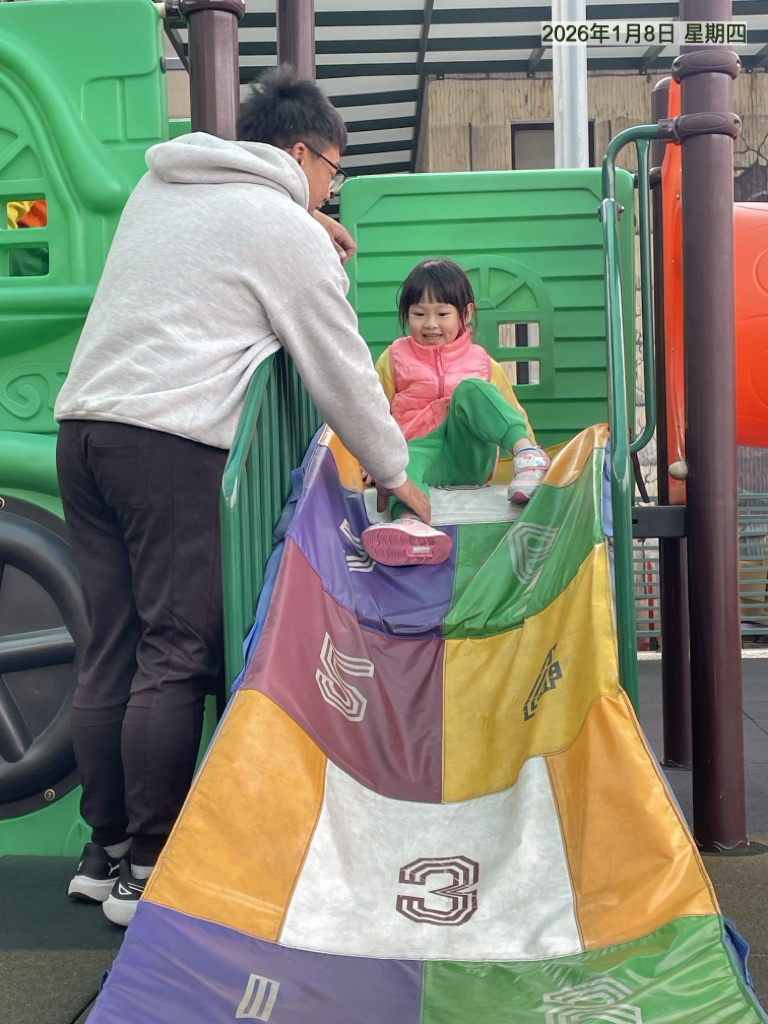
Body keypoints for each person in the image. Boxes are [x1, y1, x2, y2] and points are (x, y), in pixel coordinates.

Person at [54, 66, 429, 926]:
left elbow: (222, 244)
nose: (334, 189)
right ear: (301, 154)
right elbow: (339, 359)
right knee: (177, 651)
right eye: (334, 171)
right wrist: (395, 470)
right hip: (169, 441)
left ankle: (103, 850)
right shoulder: (280, 226)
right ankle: (150, 865)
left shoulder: (162, 187)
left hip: (86, 431)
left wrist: (304, 217)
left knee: (113, 646)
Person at [361, 257, 550, 567]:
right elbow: (373, 413)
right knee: (398, 462)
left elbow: (508, 412)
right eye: (419, 314)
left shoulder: (482, 363)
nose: (430, 324)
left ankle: (529, 457)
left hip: (469, 455)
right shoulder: (394, 359)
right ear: (407, 315)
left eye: (442, 314)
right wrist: (374, 461)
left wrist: (525, 442)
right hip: (420, 455)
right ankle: (411, 525)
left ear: (466, 313)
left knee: (472, 389)